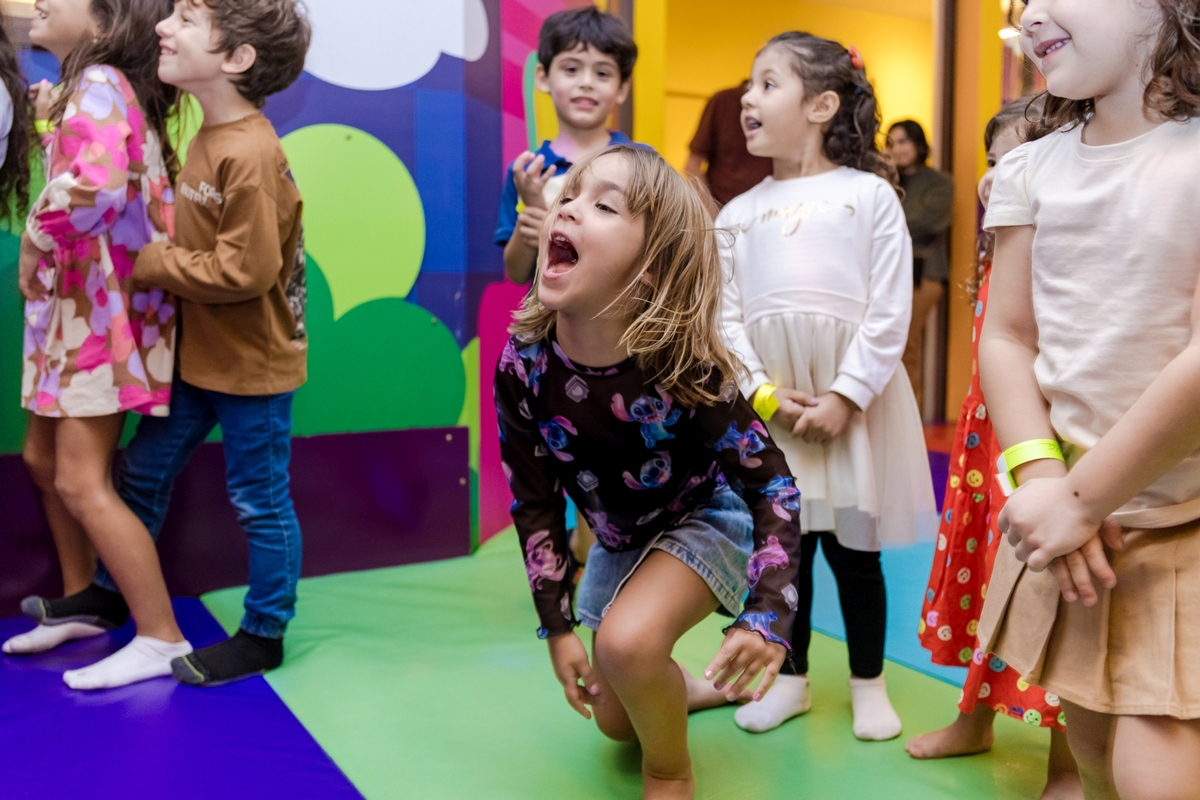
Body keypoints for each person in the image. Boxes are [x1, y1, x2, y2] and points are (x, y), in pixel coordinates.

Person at [495, 145, 801, 800]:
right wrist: (555, 625)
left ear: (652, 268)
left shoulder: (684, 368)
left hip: (704, 516)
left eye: (604, 205)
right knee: (615, 719)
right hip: (621, 534)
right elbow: (535, 500)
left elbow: (772, 483)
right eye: (570, 196)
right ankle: (696, 688)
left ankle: (670, 773)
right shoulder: (522, 364)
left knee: (627, 646)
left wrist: (768, 609)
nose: (570, 208)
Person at [23, 0, 312, 690]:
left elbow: (248, 272)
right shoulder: (206, 134)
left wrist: (146, 263)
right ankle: (111, 593)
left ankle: (264, 631)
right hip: (199, 354)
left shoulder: (251, 151)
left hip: (252, 366)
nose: (163, 28)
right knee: (143, 475)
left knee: (260, 499)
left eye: (187, 20)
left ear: (236, 59)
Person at [978, 0, 1200, 797]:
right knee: (1097, 753)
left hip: (1183, 524)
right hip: (1088, 534)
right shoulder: (1030, 169)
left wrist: (1079, 495)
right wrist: (1044, 481)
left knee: (1155, 771)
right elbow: (1007, 336)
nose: (1030, 14)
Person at [720, 32, 937, 741]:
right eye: (748, 87)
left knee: (854, 551)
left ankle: (869, 681)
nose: (748, 99)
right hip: (775, 411)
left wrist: (847, 394)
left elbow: (889, 305)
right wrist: (761, 393)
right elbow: (722, 316)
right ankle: (792, 679)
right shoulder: (736, 212)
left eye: (766, 84)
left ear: (820, 104)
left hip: (851, 404)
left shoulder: (870, 196)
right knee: (787, 554)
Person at [904, 98, 1082, 800]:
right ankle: (973, 716)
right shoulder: (1001, 239)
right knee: (984, 581)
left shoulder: (1068, 247)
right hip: (984, 449)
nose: (999, 179)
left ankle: (1066, 760)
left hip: (1045, 450)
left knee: (1052, 593)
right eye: (995, 163)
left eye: (1021, 163)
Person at [12, 0, 189, 689]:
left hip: (99, 322)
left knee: (81, 479)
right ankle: (85, 599)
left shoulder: (101, 83)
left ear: (106, 21)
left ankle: (160, 634)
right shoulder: (91, 87)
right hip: (73, 316)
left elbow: (99, 185)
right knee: (40, 458)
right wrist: (52, 117)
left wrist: (34, 233)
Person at [495, 6, 639, 286]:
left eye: (603, 73)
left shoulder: (641, 163)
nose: (586, 83)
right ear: (543, 77)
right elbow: (516, 273)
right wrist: (533, 222)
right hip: (550, 324)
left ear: (622, 88)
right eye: (571, 69)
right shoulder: (527, 172)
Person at [886, 119, 953, 415]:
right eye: (891, 143)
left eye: (902, 141)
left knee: (907, 345)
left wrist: (888, 224)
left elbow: (930, 222)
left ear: (918, 144)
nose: (896, 149)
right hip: (892, 273)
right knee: (897, 346)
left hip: (924, 273)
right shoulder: (889, 182)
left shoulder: (939, 181)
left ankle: (909, 416)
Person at [684, 82, 772, 210]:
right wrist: (712, 215)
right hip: (722, 215)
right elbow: (692, 166)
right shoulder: (724, 101)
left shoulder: (787, 110)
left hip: (767, 217)